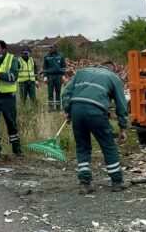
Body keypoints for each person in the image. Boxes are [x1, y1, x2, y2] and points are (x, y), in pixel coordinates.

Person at [62, 61, 130, 194]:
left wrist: (67, 110)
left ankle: (85, 184)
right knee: (108, 145)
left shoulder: (82, 72)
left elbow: (67, 93)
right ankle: (117, 182)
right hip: (96, 111)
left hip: (77, 109)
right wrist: (123, 127)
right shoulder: (113, 78)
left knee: (82, 147)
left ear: (100, 66)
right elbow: (121, 105)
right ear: (114, 69)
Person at [42, 43, 67, 111]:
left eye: (52, 47)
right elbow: (45, 67)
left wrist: (64, 76)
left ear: (56, 48)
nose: (51, 49)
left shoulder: (61, 55)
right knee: (50, 92)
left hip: (58, 76)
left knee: (58, 92)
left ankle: (58, 107)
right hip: (50, 76)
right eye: (50, 48)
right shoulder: (46, 56)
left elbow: (63, 66)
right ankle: (50, 107)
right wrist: (45, 77)